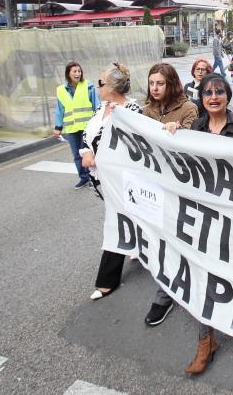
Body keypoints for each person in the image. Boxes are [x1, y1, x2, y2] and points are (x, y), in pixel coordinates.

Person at [162, 73, 233, 376]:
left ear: (228, 96)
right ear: (200, 98)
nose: (213, 96)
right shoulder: (193, 130)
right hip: (203, 217)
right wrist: (172, 132)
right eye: (207, 92)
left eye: (219, 91)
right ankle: (206, 341)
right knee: (205, 277)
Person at [142, 62, 198, 327]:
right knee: (162, 240)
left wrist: (180, 133)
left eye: (160, 83)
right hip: (156, 186)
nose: (155, 88)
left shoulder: (188, 109)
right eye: (152, 83)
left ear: (172, 83)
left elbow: (195, 146)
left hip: (183, 187)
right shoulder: (145, 111)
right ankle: (165, 293)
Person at [80, 63, 141, 301]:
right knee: (135, 217)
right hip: (100, 178)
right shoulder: (102, 107)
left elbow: (133, 148)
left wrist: (101, 156)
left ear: (113, 87)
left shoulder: (131, 110)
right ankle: (139, 246)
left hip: (122, 180)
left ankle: (106, 281)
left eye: (101, 83)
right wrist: (86, 151)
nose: (97, 87)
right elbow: (88, 134)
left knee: (116, 222)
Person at [53, 61, 99, 189]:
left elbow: (96, 104)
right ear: (68, 73)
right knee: (76, 155)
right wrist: (58, 127)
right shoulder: (61, 90)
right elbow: (59, 110)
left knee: (87, 153)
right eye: (75, 71)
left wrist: (99, 122)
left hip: (87, 127)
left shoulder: (88, 86)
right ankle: (83, 178)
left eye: (79, 71)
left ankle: (92, 177)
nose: (78, 73)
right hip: (72, 128)